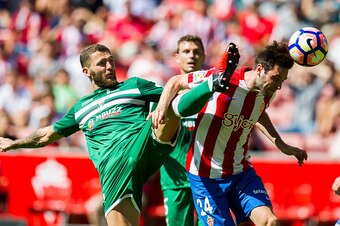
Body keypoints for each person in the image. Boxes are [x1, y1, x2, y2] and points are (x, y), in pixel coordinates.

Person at [0, 43, 236, 226]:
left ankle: (214, 80)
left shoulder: (133, 85)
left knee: (171, 105)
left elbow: (172, 93)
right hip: (114, 172)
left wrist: (167, 103)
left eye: (111, 61)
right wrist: (13, 143)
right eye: (102, 63)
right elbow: (46, 136)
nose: (110, 66)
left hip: (143, 143)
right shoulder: (80, 108)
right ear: (86, 71)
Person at [149, 41, 308, 226]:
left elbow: (258, 113)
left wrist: (281, 144)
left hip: (241, 172)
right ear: (259, 69)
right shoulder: (223, 78)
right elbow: (175, 81)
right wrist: (161, 107)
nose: (279, 86)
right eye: (276, 78)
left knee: (270, 222)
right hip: (205, 176)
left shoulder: (267, 91)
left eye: (282, 80)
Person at [159, 34, 205, 226]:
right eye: (186, 51)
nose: (191, 56)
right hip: (175, 180)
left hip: (207, 179)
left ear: (203, 56)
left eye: (196, 52)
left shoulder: (213, 92)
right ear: (177, 57)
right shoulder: (164, 95)